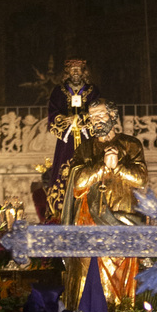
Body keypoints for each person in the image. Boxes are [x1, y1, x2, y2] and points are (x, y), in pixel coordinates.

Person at [63, 99, 148, 308]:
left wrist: (117, 166)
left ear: (112, 116)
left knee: (121, 282)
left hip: (122, 220)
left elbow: (140, 179)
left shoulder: (131, 144)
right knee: (87, 277)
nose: (96, 121)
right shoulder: (84, 149)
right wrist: (103, 165)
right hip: (89, 223)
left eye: (101, 115)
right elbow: (77, 183)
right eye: (92, 117)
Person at [39, 57, 101, 220]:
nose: (75, 72)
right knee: (63, 171)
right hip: (66, 141)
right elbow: (52, 114)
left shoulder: (93, 91)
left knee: (90, 167)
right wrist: (67, 121)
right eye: (72, 70)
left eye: (78, 69)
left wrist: (81, 120)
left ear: (83, 72)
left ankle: (90, 211)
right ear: (67, 72)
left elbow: (99, 112)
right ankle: (59, 213)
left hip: (87, 137)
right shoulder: (59, 92)